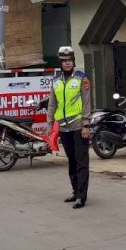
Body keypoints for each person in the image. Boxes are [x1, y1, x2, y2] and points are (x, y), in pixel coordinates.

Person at [47, 46, 92, 209]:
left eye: (70, 60)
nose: (67, 63)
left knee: (81, 162)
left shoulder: (81, 78)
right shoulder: (56, 80)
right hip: (64, 128)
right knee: (71, 161)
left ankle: (82, 196)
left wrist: (86, 124)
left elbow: (87, 102)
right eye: (64, 61)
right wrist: (49, 123)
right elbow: (52, 104)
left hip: (79, 126)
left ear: (73, 61)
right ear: (60, 62)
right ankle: (75, 192)